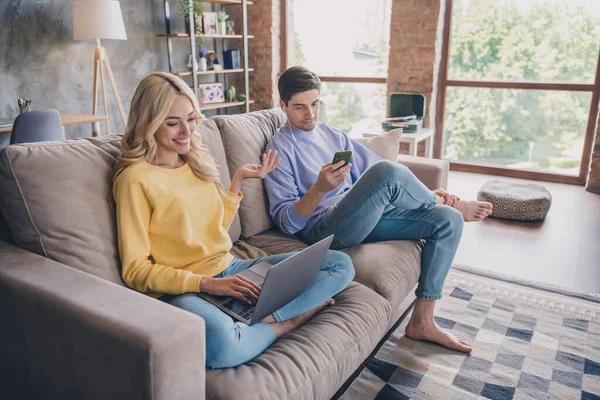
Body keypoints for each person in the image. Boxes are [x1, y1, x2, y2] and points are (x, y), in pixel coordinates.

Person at [112, 72, 354, 369]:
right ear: (148, 123)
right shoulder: (134, 179)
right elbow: (135, 270)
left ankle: (255, 320)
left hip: (231, 268)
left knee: (339, 264)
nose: (186, 131)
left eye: (190, 118)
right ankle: (286, 323)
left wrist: (237, 183)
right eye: (172, 123)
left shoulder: (193, 160)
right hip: (186, 289)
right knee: (224, 347)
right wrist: (207, 285)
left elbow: (213, 229)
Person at [264, 66, 494, 354]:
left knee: (448, 221)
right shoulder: (279, 149)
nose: (310, 114)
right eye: (299, 107)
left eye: (315, 104)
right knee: (395, 176)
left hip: (360, 215)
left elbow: (378, 173)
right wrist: (318, 189)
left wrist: (421, 194)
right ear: (283, 105)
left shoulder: (332, 135)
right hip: (323, 228)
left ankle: (422, 321)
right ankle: (449, 201)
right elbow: (287, 222)